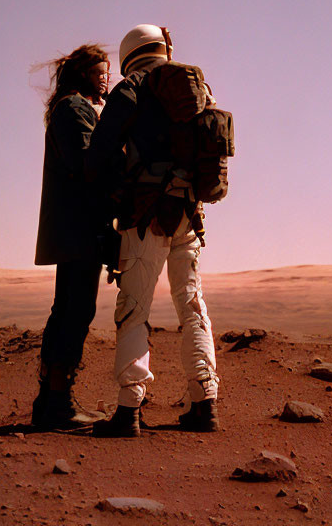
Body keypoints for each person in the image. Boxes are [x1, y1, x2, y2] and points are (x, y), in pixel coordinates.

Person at [86, 25, 228, 437]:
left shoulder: (130, 88)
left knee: (134, 310)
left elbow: (99, 157)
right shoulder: (199, 87)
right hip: (189, 213)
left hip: (144, 216)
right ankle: (205, 402)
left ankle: (129, 409)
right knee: (193, 307)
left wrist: (114, 191)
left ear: (129, 53)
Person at [31, 44, 111, 429]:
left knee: (67, 309)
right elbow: (88, 166)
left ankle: (50, 403)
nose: (106, 78)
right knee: (76, 311)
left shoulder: (72, 108)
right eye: (99, 73)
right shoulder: (74, 109)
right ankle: (59, 406)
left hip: (75, 228)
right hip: (79, 229)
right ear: (83, 76)